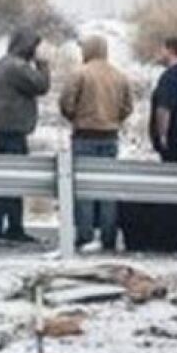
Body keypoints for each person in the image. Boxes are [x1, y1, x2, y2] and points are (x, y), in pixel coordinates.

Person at [59, 35, 133, 252]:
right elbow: (128, 106)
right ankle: (108, 237)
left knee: (84, 189)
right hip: (110, 136)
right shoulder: (119, 76)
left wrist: (75, 117)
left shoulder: (80, 73)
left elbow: (66, 102)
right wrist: (115, 120)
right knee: (107, 188)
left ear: (89, 50)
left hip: (84, 135)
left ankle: (85, 235)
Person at [0, 27, 50, 242]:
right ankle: (12, 226)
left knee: (6, 178)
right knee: (15, 179)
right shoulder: (16, 67)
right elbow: (41, 85)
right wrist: (43, 65)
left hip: (2, 126)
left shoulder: (2, 64)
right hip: (13, 128)